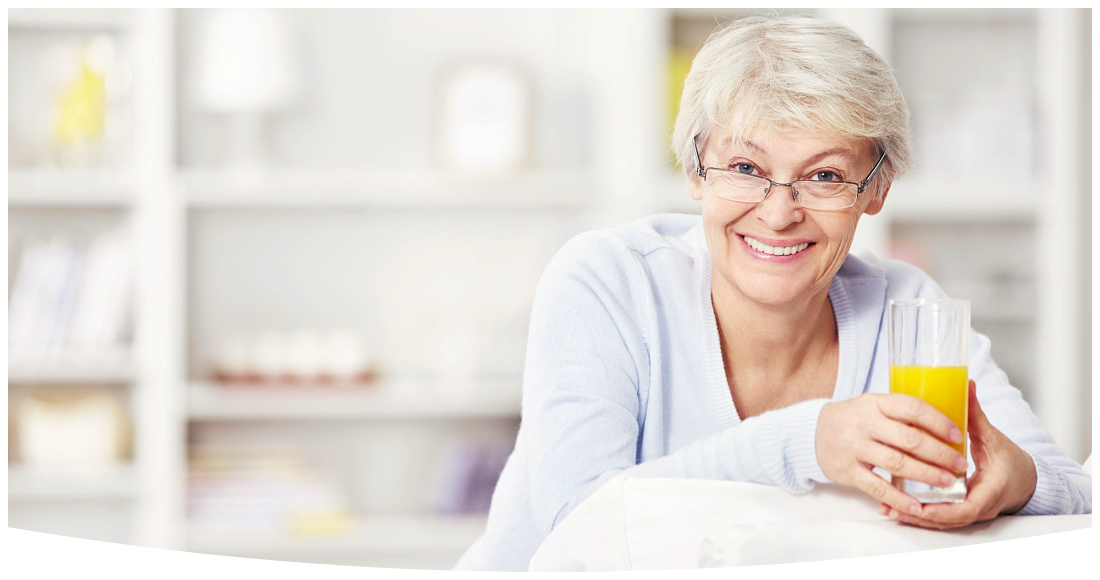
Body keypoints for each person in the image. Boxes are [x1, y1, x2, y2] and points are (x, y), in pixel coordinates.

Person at [455, 14, 1091, 571]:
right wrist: (806, 440)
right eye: (746, 168)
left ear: (877, 189)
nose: (779, 212)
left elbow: (1077, 495)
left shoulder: (904, 305)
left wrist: (1017, 479)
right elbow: (581, 526)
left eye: (824, 175)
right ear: (694, 170)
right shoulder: (608, 281)